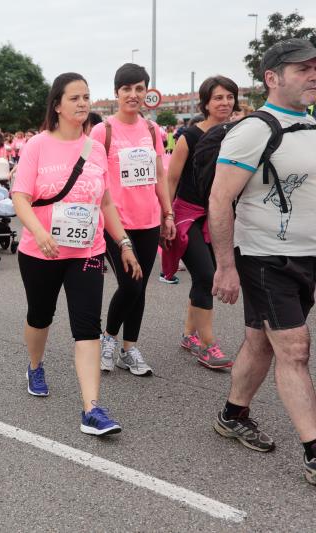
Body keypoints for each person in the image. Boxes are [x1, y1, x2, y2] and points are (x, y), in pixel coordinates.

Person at [209, 39, 316, 485]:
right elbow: (220, 198)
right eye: (302, 69)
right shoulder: (253, 130)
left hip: (306, 256)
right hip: (265, 258)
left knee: (261, 342)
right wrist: (225, 266)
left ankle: (232, 415)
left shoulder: (310, 125)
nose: (313, 75)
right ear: (272, 78)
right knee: (294, 349)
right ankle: (314, 452)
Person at [12, 72, 141, 436]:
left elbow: (106, 202)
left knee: (87, 327)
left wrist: (125, 244)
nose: (83, 103)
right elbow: (20, 197)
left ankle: (92, 409)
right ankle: (35, 365)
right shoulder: (37, 145)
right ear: (57, 105)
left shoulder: (96, 149)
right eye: (75, 98)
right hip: (41, 252)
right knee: (40, 316)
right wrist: (39, 232)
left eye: (86, 97)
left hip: (87, 251)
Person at [90, 63, 175, 376]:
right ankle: (108, 338)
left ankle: (130, 348)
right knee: (130, 284)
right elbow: (90, 173)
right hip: (118, 223)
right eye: (127, 89)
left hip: (149, 220)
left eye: (139, 88)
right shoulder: (103, 131)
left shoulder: (153, 130)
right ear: (116, 93)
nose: (133, 94)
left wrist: (167, 213)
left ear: (146, 92)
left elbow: (160, 174)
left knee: (140, 288)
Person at [164, 76, 240, 370]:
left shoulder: (237, 134)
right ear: (205, 103)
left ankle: (188, 334)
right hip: (187, 214)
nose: (224, 102)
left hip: (219, 216)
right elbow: (171, 179)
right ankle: (208, 346)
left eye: (229, 97)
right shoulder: (189, 136)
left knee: (202, 278)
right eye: (218, 97)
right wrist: (166, 217)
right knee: (207, 276)